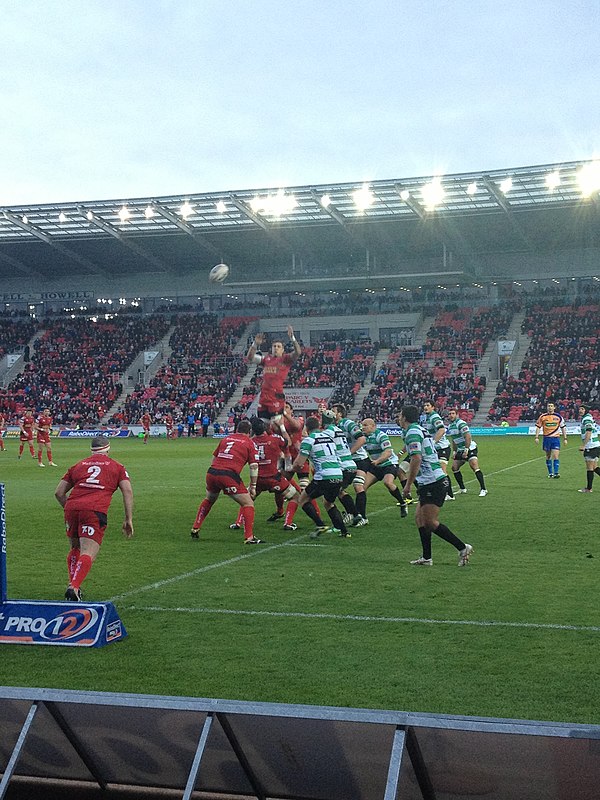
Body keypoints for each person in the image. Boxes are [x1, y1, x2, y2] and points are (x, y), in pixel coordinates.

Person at [54, 436, 134, 601]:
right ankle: (73, 586)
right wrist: (128, 519)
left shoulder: (79, 465)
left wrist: (70, 508)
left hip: (72, 507)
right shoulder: (117, 467)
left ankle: (74, 586)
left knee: (75, 548)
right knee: (89, 552)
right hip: (94, 509)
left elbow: (59, 493)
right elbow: (127, 491)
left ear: (91, 450)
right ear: (108, 449)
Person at [399, 405, 473, 567]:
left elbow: (416, 458)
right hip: (429, 481)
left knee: (430, 522)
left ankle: (462, 547)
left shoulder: (412, 432)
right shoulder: (417, 429)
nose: (398, 418)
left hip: (434, 481)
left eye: (400, 415)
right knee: (419, 519)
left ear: (404, 417)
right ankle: (427, 558)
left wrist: (408, 485)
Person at [229, 417, 324, 532]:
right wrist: (282, 427)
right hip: (274, 477)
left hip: (258, 478)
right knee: (295, 496)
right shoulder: (274, 438)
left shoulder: (250, 442)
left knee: (246, 500)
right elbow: (287, 442)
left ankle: (238, 522)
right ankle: (288, 523)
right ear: (266, 428)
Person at [190, 419, 261, 544]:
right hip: (228, 474)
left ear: (237, 429)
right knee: (248, 503)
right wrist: (253, 486)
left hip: (212, 472)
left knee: (210, 499)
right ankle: (249, 537)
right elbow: (254, 466)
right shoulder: (250, 443)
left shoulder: (226, 439)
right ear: (249, 432)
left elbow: (214, 457)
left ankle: (195, 527)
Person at [290, 416, 351, 538]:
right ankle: (345, 532)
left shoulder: (309, 440)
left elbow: (299, 463)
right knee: (328, 503)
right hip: (338, 474)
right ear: (319, 427)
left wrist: (290, 469)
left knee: (302, 499)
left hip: (324, 476)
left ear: (306, 428)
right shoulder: (329, 438)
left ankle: (320, 525)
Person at [246, 326, 301, 420]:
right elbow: (250, 357)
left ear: (283, 350)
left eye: (278, 347)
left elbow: (298, 353)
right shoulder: (266, 359)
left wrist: (293, 339)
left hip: (276, 397)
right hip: (264, 397)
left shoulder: (285, 359)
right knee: (263, 425)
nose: (276, 348)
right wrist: (255, 344)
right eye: (274, 346)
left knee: (277, 425)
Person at [359, 418, 408, 522]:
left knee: (388, 483)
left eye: (365, 425)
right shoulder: (363, 438)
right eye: (362, 425)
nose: (363, 427)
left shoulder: (381, 435)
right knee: (362, 487)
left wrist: (377, 461)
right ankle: (361, 516)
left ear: (373, 426)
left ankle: (402, 503)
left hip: (389, 463)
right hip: (376, 465)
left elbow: (388, 452)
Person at [334, 404, 370, 525]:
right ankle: (351, 513)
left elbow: (362, 439)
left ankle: (363, 517)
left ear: (339, 413)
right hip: (346, 462)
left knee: (358, 486)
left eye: (333, 411)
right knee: (337, 489)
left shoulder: (348, 423)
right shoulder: (334, 426)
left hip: (359, 459)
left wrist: (349, 453)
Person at [446, 409, 488, 496]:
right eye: (450, 414)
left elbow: (468, 437)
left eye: (453, 413)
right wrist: (454, 451)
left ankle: (483, 489)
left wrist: (466, 450)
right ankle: (462, 488)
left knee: (474, 466)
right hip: (460, 449)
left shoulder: (461, 423)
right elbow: (454, 440)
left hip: (470, 448)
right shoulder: (450, 426)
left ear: (457, 415)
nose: (451, 415)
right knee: (454, 467)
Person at [423, 400, 454, 499]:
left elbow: (442, 429)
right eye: (424, 405)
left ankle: (448, 494)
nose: (425, 407)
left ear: (433, 407)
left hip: (442, 448)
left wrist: (433, 442)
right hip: (435, 449)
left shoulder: (434, 417)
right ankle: (442, 492)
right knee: (434, 471)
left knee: (442, 471)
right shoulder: (427, 418)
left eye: (428, 405)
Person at [535, 401, 567, 478]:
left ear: (554, 407)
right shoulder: (543, 416)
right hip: (547, 439)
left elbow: (563, 428)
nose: (550, 407)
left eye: (551, 406)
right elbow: (538, 427)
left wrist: (565, 438)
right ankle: (550, 473)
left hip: (556, 439)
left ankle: (556, 473)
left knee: (556, 456)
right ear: (547, 407)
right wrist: (536, 437)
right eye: (548, 406)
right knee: (548, 456)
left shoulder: (558, 417)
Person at [577, 404, 600, 493]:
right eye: (579, 409)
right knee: (594, 467)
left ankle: (588, 488)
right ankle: (588, 488)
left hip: (591, 445)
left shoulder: (587, 419)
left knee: (589, 468)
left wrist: (584, 445)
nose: (580, 410)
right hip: (595, 445)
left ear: (586, 410)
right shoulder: (587, 418)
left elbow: (588, 432)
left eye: (582, 409)